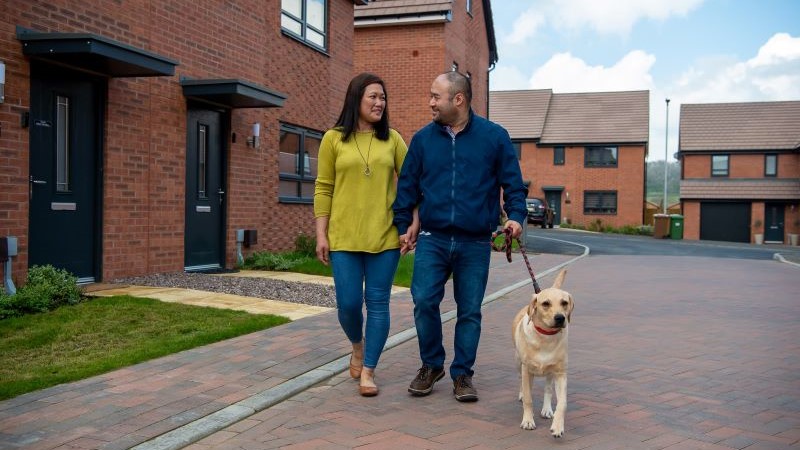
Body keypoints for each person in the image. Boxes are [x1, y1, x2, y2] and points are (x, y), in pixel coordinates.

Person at [393, 71, 528, 402]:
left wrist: (516, 218)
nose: (430, 103)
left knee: (469, 310)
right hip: (432, 237)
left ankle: (463, 374)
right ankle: (431, 364)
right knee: (424, 301)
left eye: (435, 97)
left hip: (475, 241)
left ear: (459, 99)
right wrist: (402, 224)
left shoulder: (495, 137)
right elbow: (407, 185)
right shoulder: (423, 139)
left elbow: (513, 185)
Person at [314, 73, 413, 397]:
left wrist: (413, 223)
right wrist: (321, 233)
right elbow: (324, 187)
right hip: (343, 238)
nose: (379, 103)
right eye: (373, 96)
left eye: (382, 97)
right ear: (356, 98)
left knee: (379, 304)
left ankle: (369, 370)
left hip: (384, 237)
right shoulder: (333, 139)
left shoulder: (393, 140)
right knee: (348, 304)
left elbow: (413, 184)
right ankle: (357, 345)